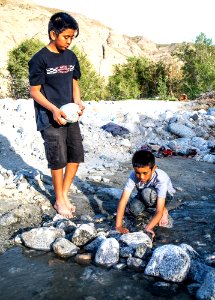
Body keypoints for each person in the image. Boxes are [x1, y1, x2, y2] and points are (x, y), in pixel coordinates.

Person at [28, 12, 85, 219]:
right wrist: (53, 109)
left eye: (72, 37)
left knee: (75, 156)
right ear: (53, 34)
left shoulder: (71, 56)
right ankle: (60, 200)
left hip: (70, 115)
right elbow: (34, 91)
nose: (69, 41)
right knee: (57, 159)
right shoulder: (39, 59)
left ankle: (63, 194)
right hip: (49, 117)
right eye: (66, 37)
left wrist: (77, 102)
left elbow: (74, 82)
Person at [116, 150, 176, 238]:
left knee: (148, 193)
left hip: (164, 196)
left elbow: (158, 211)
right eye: (138, 173)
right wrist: (118, 226)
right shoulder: (133, 175)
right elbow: (123, 200)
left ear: (154, 168)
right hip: (144, 194)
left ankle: (165, 209)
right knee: (132, 209)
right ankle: (149, 209)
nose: (141, 177)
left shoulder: (160, 179)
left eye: (145, 173)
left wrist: (148, 228)